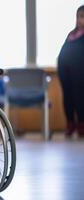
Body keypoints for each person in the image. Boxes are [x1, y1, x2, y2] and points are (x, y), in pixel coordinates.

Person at [58, 5, 84, 138]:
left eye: (83, 17)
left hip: (79, 75)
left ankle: (81, 125)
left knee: (80, 99)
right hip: (65, 73)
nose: (80, 20)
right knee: (67, 99)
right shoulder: (71, 34)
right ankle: (70, 124)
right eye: (79, 17)